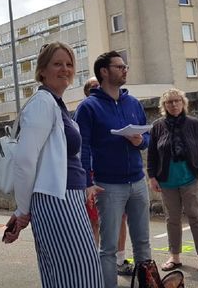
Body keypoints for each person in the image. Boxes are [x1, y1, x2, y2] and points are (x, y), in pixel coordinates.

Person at [3, 41, 104, 288]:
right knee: (82, 275)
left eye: (69, 64)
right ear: (42, 70)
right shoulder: (43, 103)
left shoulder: (56, 103)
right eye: (57, 64)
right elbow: (25, 161)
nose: (65, 69)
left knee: (65, 275)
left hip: (68, 197)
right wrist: (23, 210)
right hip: (55, 200)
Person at [75, 51, 152, 288]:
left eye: (125, 66)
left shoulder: (133, 103)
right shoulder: (88, 107)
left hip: (138, 182)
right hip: (107, 185)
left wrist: (141, 141)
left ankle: (146, 284)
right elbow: (82, 148)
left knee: (143, 243)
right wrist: (87, 182)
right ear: (104, 72)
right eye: (120, 66)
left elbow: (147, 137)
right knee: (108, 248)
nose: (125, 69)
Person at [147, 88, 198, 273]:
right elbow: (152, 154)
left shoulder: (194, 123)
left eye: (177, 101)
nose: (173, 105)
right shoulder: (158, 126)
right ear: (164, 106)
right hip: (167, 180)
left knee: (196, 216)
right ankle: (174, 257)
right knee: (172, 219)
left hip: (190, 178)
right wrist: (152, 176)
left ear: (183, 103)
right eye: (169, 102)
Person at [82, 76, 133, 276]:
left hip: (116, 176)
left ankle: (120, 259)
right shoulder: (85, 112)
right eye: (95, 87)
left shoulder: (117, 109)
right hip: (94, 175)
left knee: (120, 218)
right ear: (89, 92)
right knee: (94, 221)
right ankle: (95, 262)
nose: (101, 88)